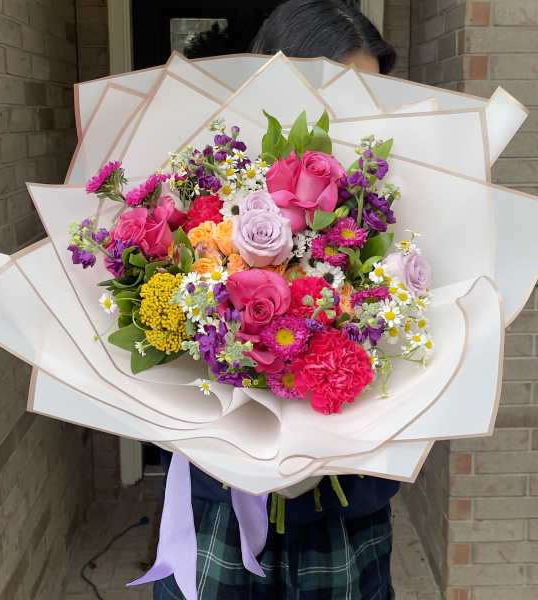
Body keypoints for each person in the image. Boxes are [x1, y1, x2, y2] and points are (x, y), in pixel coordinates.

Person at [154, 2, 398, 598]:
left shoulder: (388, 202)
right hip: (222, 502)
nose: (357, 114)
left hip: (346, 505)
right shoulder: (214, 177)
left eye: (373, 95)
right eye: (339, 93)